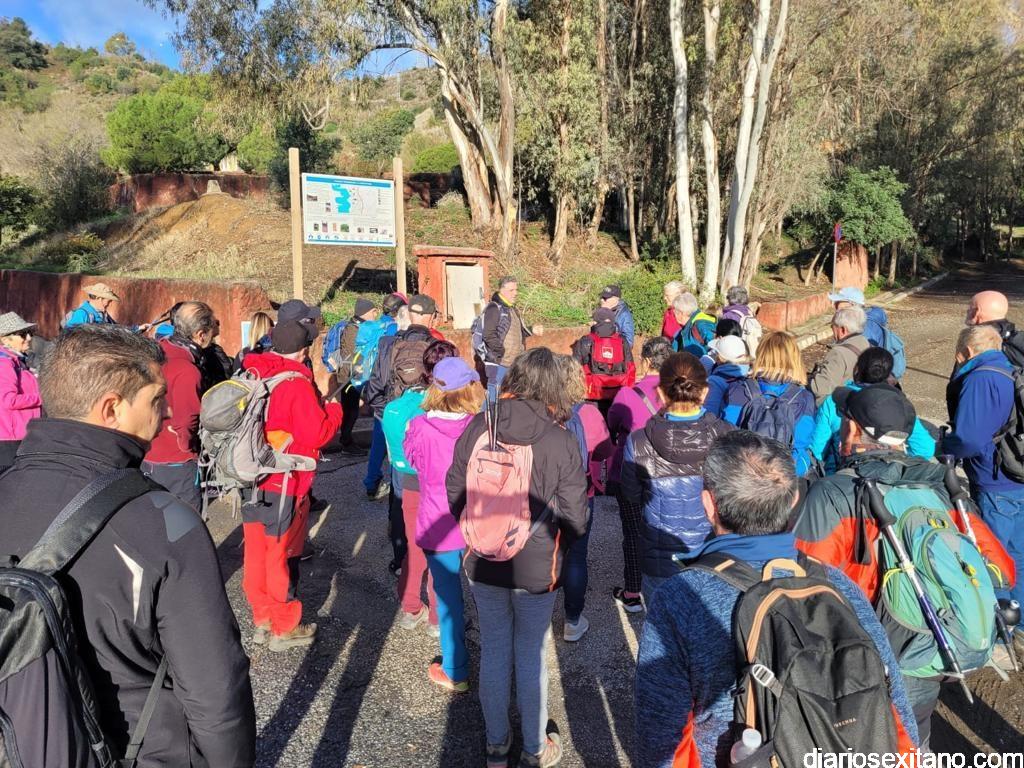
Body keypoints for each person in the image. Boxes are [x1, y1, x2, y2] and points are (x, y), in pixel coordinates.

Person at [0, 324, 256, 765]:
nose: (168, 411)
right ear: (112, 408)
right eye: (156, 399)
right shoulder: (165, 523)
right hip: (139, 751)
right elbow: (216, 688)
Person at [636, 430, 917, 768]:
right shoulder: (839, 584)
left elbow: (662, 738)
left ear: (709, 504)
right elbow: (896, 708)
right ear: (794, 499)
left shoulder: (681, 597)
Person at [793, 384, 1012, 748]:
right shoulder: (940, 488)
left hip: (872, 656)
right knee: (913, 736)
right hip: (937, 643)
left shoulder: (835, 493)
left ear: (852, 429)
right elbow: (1002, 569)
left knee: (871, 743)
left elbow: (803, 589)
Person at [447, 347, 589, 768]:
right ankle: (534, 747)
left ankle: (496, 745)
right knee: (531, 654)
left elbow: (454, 488)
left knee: (493, 649)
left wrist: (476, 532)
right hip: (537, 565)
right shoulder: (560, 439)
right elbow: (576, 515)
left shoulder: (481, 425)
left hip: (481, 558)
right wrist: (560, 546)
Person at [239, 319, 343, 650]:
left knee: (255, 550)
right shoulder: (295, 383)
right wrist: (335, 409)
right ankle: (283, 626)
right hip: (283, 479)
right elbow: (318, 434)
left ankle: (262, 617)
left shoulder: (252, 371)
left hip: (249, 473)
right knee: (278, 552)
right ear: (303, 351)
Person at [620, 352, 734, 602]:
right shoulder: (728, 437)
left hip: (658, 556)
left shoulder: (638, 442)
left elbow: (630, 495)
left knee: (660, 622)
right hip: (713, 553)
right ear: (704, 393)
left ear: (661, 393)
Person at [404, 356, 485, 691]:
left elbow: (412, 461)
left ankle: (455, 669)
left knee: (448, 598)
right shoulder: (480, 426)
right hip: (479, 520)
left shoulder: (419, 426)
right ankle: (499, 665)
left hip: (438, 522)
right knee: (489, 595)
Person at [943, 324, 1024, 609]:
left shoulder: (980, 378)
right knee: (1018, 554)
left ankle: (999, 618)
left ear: (967, 351)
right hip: (1017, 472)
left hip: (993, 478)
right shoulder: (1010, 369)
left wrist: (945, 448)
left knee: (994, 555)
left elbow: (970, 439)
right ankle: (1019, 617)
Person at [383, 340, 459, 626]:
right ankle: (439, 618)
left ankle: (411, 606)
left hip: (409, 483)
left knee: (416, 548)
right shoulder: (437, 407)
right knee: (440, 551)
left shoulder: (395, 406)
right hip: (437, 487)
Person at [606, 337, 673, 611]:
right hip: (668, 472)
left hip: (632, 473)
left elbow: (612, 423)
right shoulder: (677, 395)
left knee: (633, 534)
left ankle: (632, 592)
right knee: (666, 530)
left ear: (645, 362)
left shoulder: (627, 394)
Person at [364, 294, 441, 500]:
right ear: (431, 316)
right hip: (426, 423)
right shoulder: (438, 347)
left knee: (399, 481)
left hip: (394, 418)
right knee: (426, 483)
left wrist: (391, 416)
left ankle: (398, 518)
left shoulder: (388, 344)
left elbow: (374, 389)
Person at [142, 301, 218, 510]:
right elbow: (186, 420)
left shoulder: (155, 352)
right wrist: (186, 446)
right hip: (176, 461)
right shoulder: (187, 371)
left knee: (154, 519)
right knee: (185, 521)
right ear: (200, 334)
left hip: (147, 453)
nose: (213, 338)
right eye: (212, 332)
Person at [558, 354, 613, 641]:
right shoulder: (589, 413)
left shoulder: (541, 410)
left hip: (545, 494)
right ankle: (572, 620)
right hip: (581, 493)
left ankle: (536, 615)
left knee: (545, 552)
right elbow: (604, 450)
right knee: (576, 556)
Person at [811, 347, 935, 473]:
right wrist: (898, 464)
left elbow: (817, 450)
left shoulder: (833, 402)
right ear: (888, 375)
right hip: (891, 473)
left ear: (857, 369)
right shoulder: (897, 405)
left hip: (843, 473)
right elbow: (925, 449)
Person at [721, 331, 816, 476]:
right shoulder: (803, 397)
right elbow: (801, 444)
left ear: (761, 354)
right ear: (794, 358)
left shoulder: (738, 389)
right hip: (782, 477)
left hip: (742, 475)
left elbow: (727, 435)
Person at [480, 276, 543, 402]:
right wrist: (500, 352)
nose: (515, 293)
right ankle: (485, 415)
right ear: (501, 290)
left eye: (516, 290)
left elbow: (518, 332)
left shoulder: (512, 309)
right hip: (500, 363)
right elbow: (488, 335)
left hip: (514, 363)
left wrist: (532, 329)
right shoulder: (494, 308)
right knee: (493, 398)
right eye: (511, 290)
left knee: (511, 399)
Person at [331, 297, 378, 453]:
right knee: (350, 410)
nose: (375, 315)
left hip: (353, 374)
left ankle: (347, 440)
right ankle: (346, 442)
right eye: (373, 312)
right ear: (365, 312)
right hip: (348, 376)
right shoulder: (353, 329)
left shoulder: (358, 327)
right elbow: (353, 353)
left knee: (352, 410)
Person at [571, 307, 636, 416]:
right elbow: (631, 368)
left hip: (592, 396)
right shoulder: (622, 341)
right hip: (618, 394)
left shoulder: (585, 341)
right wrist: (627, 393)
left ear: (596, 322)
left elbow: (574, 369)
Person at [0, 312, 42, 469]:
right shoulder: (4, 363)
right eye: (22, 334)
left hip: (20, 436)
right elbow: (8, 400)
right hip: (8, 440)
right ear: (5, 339)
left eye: (29, 333)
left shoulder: (18, 361)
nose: (29, 338)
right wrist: (42, 397)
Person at [808, 305, 871, 405]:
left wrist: (807, 380)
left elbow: (821, 389)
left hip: (840, 407)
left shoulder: (838, 353)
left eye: (832, 327)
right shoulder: (865, 343)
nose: (832, 331)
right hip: (860, 401)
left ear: (842, 330)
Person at [965, 289, 1024, 367]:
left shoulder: (977, 342)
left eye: (970, 307)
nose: (967, 311)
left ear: (977, 312)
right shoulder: (1017, 338)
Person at [702, 334, 751, 417]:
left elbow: (709, 414)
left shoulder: (715, 382)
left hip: (722, 424)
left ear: (719, 358)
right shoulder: (751, 376)